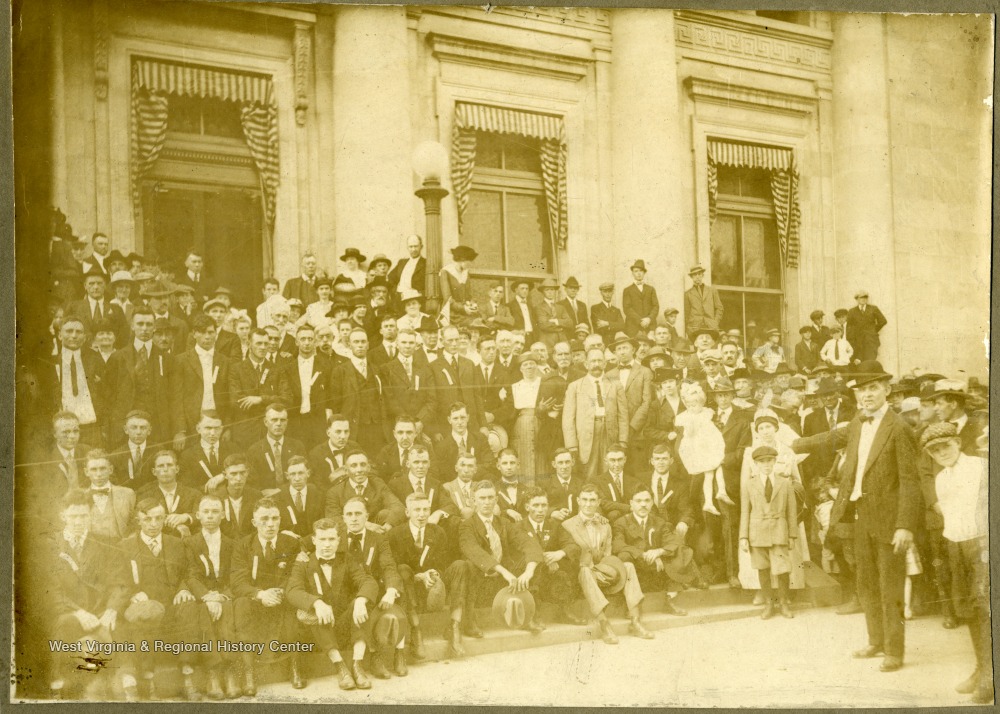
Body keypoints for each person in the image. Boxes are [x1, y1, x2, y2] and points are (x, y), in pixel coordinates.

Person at [826, 360, 920, 673]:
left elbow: (910, 480)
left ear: (886, 390)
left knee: (890, 584)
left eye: (873, 388)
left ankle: (894, 650)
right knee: (866, 582)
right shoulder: (856, 423)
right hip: (860, 514)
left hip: (890, 519)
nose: (867, 395)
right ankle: (875, 640)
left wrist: (905, 524)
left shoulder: (899, 427)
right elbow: (839, 450)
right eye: (862, 390)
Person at [919, 422, 992, 704]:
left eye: (946, 446)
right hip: (957, 546)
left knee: (985, 608)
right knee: (970, 609)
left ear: (958, 443)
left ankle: (990, 675)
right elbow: (951, 518)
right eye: (935, 451)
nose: (942, 453)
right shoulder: (941, 478)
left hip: (982, 544)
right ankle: (981, 667)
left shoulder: (980, 466)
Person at [44, 490, 128, 700]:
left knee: (118, 625)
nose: (78, 521)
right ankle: (59, 684)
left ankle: (109, 683)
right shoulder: (51, 544)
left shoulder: (103, 543)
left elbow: (119, 583)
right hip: (69, 610)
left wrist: (111, 609)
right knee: (65, 624)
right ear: (63, 516)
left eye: (83, 516)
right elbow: (50, 590)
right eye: (73, 516)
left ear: (90, 515)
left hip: (100, 610)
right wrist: (79, 612)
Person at [117, 498, 200, 701]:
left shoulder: (176, 544)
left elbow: (188, 572)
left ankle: (187, 674)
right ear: (139, 520)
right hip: (143, 606)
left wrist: (183, 589)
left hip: (171, 604)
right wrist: (133, 593)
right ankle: (148, 677)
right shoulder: (125, 546)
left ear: (164, 519)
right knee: (146, 614)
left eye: (158, 518)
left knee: (189, 606)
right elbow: (118, 579)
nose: (153, 524)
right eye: (148, 519)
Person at [561, 484, 653, 644]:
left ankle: (635, 620)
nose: (588, 504)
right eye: (585, 500)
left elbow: (608, 556)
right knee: (584, 571)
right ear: (578, 501)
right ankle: (603, 623)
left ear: (598, 503)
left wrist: (607, 571)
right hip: (580, 575)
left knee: (628, 566)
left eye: (592, 500)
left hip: (601, 572)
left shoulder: (605, 525)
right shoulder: (567, 525)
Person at [389, 491, 475, 662]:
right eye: (417, 510)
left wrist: (434, 573)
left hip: (434, 585)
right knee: (403, 569)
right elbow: (396, 568)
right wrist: (420, 576)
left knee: (460, 566)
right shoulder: (395, 534)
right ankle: (416, 630)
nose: (422, 515)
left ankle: (454, 625)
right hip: (410, 587)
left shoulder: (438, 532)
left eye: (426, 510)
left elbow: (442, 563)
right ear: (407, 512)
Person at [229, 498, 304, 696]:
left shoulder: (291, 543)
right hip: (256, 599)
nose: (270, 524)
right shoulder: (243, 545)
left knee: (293, 603)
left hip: (282, 596)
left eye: (274, 518)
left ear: (280, 520)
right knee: (241, 604)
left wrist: (279, 592)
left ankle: (295, 666)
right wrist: (260, 594)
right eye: (264, 519)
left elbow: (296, 575)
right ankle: (249, 672)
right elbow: (237, 582)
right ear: (254, 522)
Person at [458, 480, 545, 636]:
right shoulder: (467, 525)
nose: (487, 502)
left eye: (490, 498)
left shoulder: (504, 523)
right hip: (480, 584)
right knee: (467, 566)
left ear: (496, 500)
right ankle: (470, 621)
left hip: (503, 583)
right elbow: (474, 551)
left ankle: (528, 614)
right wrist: (504, 572)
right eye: (482, 498)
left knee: (533, 560)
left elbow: (528, 543)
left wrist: (529, 571)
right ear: (473, 501)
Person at [339, 496, 408, 680]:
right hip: (346, 597)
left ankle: (400, 653)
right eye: (349, 514)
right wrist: (302, 556)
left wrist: (392, 590)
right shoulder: (335, 538)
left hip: (373, 591)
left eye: (358, 514)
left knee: (398, 588)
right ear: (343, 517)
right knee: (359, 605)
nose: (354, 518)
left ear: (366, 516)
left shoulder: (378, 539)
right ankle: (374, 656)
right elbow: (306, 543)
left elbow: (388, 566)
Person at [178, 494, 239, 699]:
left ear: (223, 515)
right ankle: (213, 671)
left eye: (215, 512)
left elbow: (235, 575)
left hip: (225, 595)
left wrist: (222, 596)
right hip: (202, 595)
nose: (210, 516)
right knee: (203, 612)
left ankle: (229, 671)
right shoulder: (190, 543)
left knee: (229, 610)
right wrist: (207, 597)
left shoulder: (232, 543)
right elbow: (191, 574)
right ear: (198, 515)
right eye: (206, 512)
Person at [612, 486, 692, 615]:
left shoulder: (659, 522)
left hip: (656, 570)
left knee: (681, 550)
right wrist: (643, 555)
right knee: (624, 556)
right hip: (636, 571)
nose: (643, 505)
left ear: (652, 502)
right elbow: (618, 544)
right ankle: (631, 604)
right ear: (631, 503)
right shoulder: (621, 522)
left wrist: (659, 552)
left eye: (647, 500)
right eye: (638, 501)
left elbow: (672, 542)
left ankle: (670, 599)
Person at [739, 445, 798, 619]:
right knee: (762, 568)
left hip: (779, 531)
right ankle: (769, 604)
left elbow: (792, 511)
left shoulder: (785, 483)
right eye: (761, 462)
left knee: (782, 569)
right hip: (757, 532)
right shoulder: (749, 484)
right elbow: (745, 511)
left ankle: (784, 603)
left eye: (769, 460)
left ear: (774, 461)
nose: (766, 464)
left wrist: (792, 535)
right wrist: (743, 536)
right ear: (756, 464)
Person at [519, 487, 585, 624]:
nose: (540, 509)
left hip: (550, 573)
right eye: (535, 505)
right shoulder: (519, 526)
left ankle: (564, 611)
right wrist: (546, 559)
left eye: (544, 505)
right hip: (529, 571)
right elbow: (523, 550)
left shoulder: (554, 525)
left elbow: (573, 546)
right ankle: (534, 613)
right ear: (527, 507)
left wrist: (559, 553)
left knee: (568, 563)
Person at [562, 348, 629, 481]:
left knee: (609, 469)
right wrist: (571, 444)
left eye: (599, 361)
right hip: (586, 433)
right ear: (586, 364)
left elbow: (623, 415)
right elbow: (568, 418)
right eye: (593, 361)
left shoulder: (615, 385)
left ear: (604, 364)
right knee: (589, 472)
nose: (596, 364)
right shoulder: (575, 386)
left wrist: (623, 440)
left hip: (609, 432)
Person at [173, 315, 232, 447]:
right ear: (194, 334)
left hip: (217, 423)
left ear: (216, 334)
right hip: (191, 423)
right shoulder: (181, 360)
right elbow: (176, 397)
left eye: (211, 332)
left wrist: (227, 427)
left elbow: (228, 397)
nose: (207, 336)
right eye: (202, 332)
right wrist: (180, 430)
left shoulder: (225, 361)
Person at [674, 381, 728, 517]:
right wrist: (691, 424)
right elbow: (689, 434)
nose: (693, 408)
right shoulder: (687, 417)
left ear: (702, 402)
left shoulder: (707, 412)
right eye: (689, 405)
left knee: (719, 464)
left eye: (695, 404)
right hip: (698, 448)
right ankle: (709, 501)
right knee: (708, 474)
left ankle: (721, 490)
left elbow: (713, 426)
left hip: (711, 444)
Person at [329, 328, 385, 455]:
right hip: (355, 428)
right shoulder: (340, 370)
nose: (360, 345)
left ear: (368, 345)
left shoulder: (376, 369)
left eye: (363, 342)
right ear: (349, 344)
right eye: (356, 342)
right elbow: (336, 404)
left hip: (376, 428)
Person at [324, 450, 405, 528]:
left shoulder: (378, 484)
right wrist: (366, 526)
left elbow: (398, 507)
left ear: (368, 468)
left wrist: (387, 526)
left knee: (385, 514)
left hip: (377, 532)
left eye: (363, 465)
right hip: (349, 533)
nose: (359, 470)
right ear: (346, 470)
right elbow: (333, 518)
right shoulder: (335, 492)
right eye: (354, 466)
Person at [136, 450, 202, 539]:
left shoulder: (194, 494)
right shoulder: (144, 494)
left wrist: (186, 517)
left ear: (177, 469)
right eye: (160, 466)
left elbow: (202, 515)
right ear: (154, 471)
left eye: (169, 465)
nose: (165, 469)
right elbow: (141, 519)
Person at [509, 352, 553, 481]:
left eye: (532, 364)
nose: (529, 367)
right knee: (524, 458)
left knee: (542, 458)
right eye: (526, 365)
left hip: (542, 422)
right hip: (522, 425)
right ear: (521, 368)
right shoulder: (515, 386)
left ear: (537, 366)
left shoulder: (544, 383)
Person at [246, 402, 307, 493]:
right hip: (266, 498)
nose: (279, 424)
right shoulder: (254, 450)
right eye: (274, 420)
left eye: (282, 420)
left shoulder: (297, 446)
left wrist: (281, 491)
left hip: (292, 496)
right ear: (266, 422)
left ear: (287, 422)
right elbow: (251, 483)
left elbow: (304, 477)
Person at [81, 449, 135, 542]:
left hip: (120, 550)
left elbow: (136, 525)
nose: (98, 474)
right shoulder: (80, 497)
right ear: (86, 472)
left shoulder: (127, 494)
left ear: (110, 469)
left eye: (102, 468)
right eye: (93, 469)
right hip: (91, 551)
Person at [439, 245, 478, 327]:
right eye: (469, 261)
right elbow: (447, 299)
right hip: (451, 313)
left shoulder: (466, 273)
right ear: (461, 260)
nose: (471, 264)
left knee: (479, 321)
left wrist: (472, 305)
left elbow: (468, 296)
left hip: (465, 311)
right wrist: (463, 309)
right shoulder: (446, 272)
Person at [846, 290, 888, 362]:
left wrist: (873, 330)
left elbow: (883, 321)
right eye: (861, 298)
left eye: (865, 298)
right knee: (859, 362)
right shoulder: (852, 311)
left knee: (870, 360)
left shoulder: (873, 308)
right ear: (857, 299)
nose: (863, 299)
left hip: (871, 340)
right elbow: (849, 327)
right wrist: (851, 341)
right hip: (857, 342)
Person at [388, 235, 426, 310]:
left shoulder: (426, 263)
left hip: (416, 300)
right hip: (400, 299)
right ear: (407, 248)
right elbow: (391, 278)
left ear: (421, 247)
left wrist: (419, 293)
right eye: (411, 247)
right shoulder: (402, 262)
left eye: (416, 246)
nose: (413, 249)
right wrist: (396, 291)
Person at [622, 260, 659, 337]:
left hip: (650, 326)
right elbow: (627, 309)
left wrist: (649, 319)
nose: (638, 273)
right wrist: (640, 321)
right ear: (632, 273)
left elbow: (656, 306)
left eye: (641, 271)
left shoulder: (651, 289)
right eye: (636, 271)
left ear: (644, 273)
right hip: (633, 327)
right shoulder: (627, 290)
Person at [683, 264, 723, 334]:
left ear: (702, 275)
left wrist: (715, 322)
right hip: (694, 327)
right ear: (692, 277)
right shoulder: (688, 294)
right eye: (695, 275)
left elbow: (719, 308)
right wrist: (689, 327)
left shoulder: (712, 291)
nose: (697, 277)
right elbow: (687, 313)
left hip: (711, 326)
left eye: (699, 274)